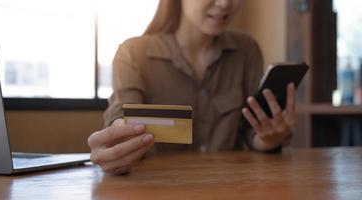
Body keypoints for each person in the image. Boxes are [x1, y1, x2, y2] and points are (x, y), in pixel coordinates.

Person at [88, 0, 295, 175]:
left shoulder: (246, 50)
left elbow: (248, 132)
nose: (225, 3)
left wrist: (267, 140)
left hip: (230, 188)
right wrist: (116, 139)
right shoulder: (132, 53)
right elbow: (122, 115)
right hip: (157, 189)